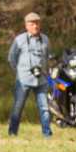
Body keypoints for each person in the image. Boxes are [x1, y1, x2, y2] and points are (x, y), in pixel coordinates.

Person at [7, 10, 52, 138]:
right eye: (32, 24)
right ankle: (12, 132)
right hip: (23, 80)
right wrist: (19, 71)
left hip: (42, 79)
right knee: (18, 107)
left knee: (45, 108)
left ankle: (47, 134)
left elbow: (48, 57)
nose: (35, 26)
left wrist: (48, 75)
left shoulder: (45, 40)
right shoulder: (19, 40)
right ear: (26, 25)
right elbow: (11, 58)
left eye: (37, 23)